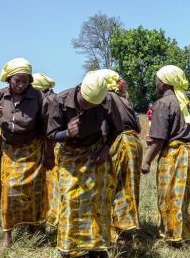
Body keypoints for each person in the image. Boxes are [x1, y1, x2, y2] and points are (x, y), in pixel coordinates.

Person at [47, 71, 123, 257]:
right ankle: (70, 248)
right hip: (69, 156)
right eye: (85, 102)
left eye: (92, 105)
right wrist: (67, 133)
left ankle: (96, 246)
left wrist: (105, 149)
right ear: (80, 89)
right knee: (71, 201)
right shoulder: (59, 100)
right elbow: (50, 134)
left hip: (94, 154)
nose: (88, 107)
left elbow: (117, 128)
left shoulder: (106, 102)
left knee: (97, 202)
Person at [0, 58, 54, 248]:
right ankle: (7, 235)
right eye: (17, 80)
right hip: (9, 151)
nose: (21, 85)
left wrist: (49, 155)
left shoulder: (39, 98)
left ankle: (32, 229)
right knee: (9, 190)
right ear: (9, 79)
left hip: (32, 149)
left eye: (25, 81)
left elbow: (47, 129)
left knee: (32, 191)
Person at [141, 65, 190, 243]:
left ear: (165, 83)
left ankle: (174, 236)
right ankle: (186, 233)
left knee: (169, 196)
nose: (156, 84)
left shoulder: (163, 103)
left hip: (176, 155)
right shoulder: (183, 103)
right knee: (182, 196)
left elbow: (159, 140)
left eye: (158, 81)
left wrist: (147, 161)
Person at [97, 69, 143, 238]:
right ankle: (127, 228)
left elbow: (103, 129)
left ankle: (114, 231)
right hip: (133, 142)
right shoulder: (125, 100)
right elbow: (138, 127)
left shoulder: (106, 98)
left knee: (111, 185)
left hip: (117, 143)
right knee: (129, 186)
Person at [31, 72, 58, 226]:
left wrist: (49, 154)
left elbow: (49, 132)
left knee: (50, 183)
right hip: (48, 146)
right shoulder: (52, 98)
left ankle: (50, 218)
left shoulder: (48, 101)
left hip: (51, 148)